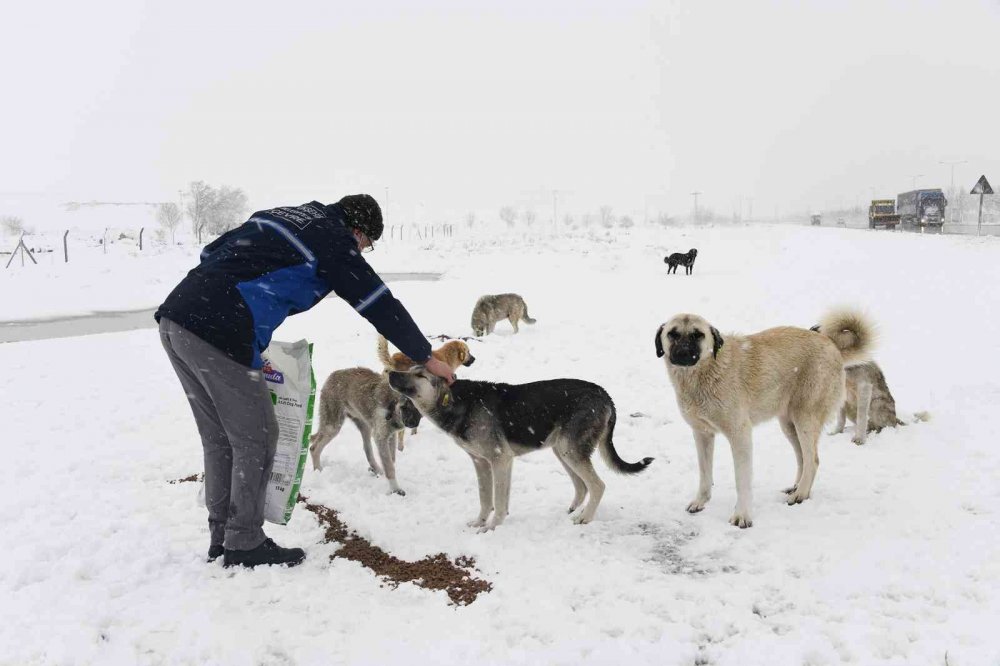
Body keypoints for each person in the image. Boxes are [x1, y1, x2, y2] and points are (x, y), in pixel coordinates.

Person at [155, 194, 455, 569]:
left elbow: (213, 252)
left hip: (177, 319)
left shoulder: (286, 216)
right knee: (258, 436)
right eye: (367, 245)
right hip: (220, 330)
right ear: (359, 232)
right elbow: (378, 301)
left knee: (220, 438)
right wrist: (426, 357)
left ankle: (224, 536)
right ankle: (243, 542)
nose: (363, 252)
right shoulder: (334, 240)